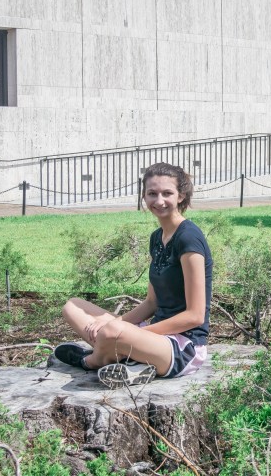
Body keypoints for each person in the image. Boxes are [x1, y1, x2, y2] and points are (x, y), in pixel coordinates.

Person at [53, 163, 212, 389]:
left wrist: (132, 333)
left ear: (181, 196)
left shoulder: (189, 239)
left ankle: (92, 360)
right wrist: (115, 323)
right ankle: (124, 356)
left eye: (167, 193)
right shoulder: (157, 238)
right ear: (144, 197)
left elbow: (195, 316)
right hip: (154, 336)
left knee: (111, 332)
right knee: (73, 306)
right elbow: (151, 303)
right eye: (152, 194)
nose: (159, 201)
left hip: (183, 347)